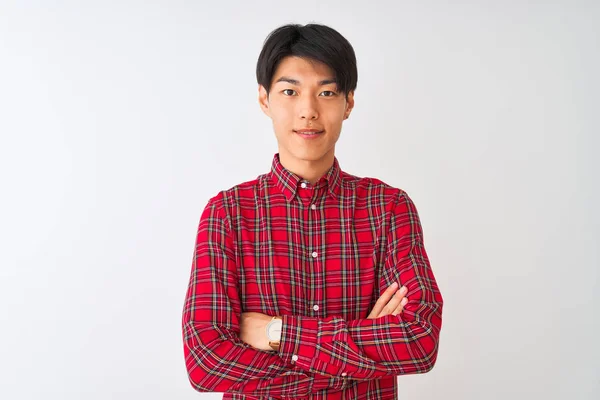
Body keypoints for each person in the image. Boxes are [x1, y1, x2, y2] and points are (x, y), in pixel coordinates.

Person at [181, 23, 444, 400]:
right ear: (264, 99)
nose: (308, 111)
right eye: (290, 91)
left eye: (326, 92)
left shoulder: (388, 208)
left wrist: (277, 333)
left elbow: (419, 339)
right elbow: (206, 363)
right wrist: (358, 359)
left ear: (348, 103)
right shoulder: (227, 214)